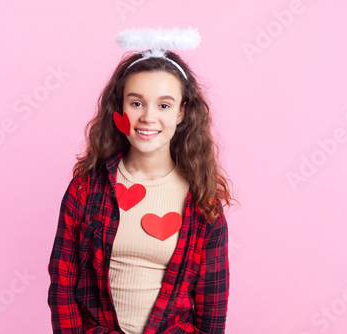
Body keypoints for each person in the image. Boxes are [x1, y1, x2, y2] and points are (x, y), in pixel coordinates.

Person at [48, 33, 236, 333]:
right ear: (120, 109)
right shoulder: (84, 191)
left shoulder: (203, 202)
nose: (148, 117)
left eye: (164, 105)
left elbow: (212, 306)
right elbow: (63, 286)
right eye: (137, 103)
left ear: (181, 113)